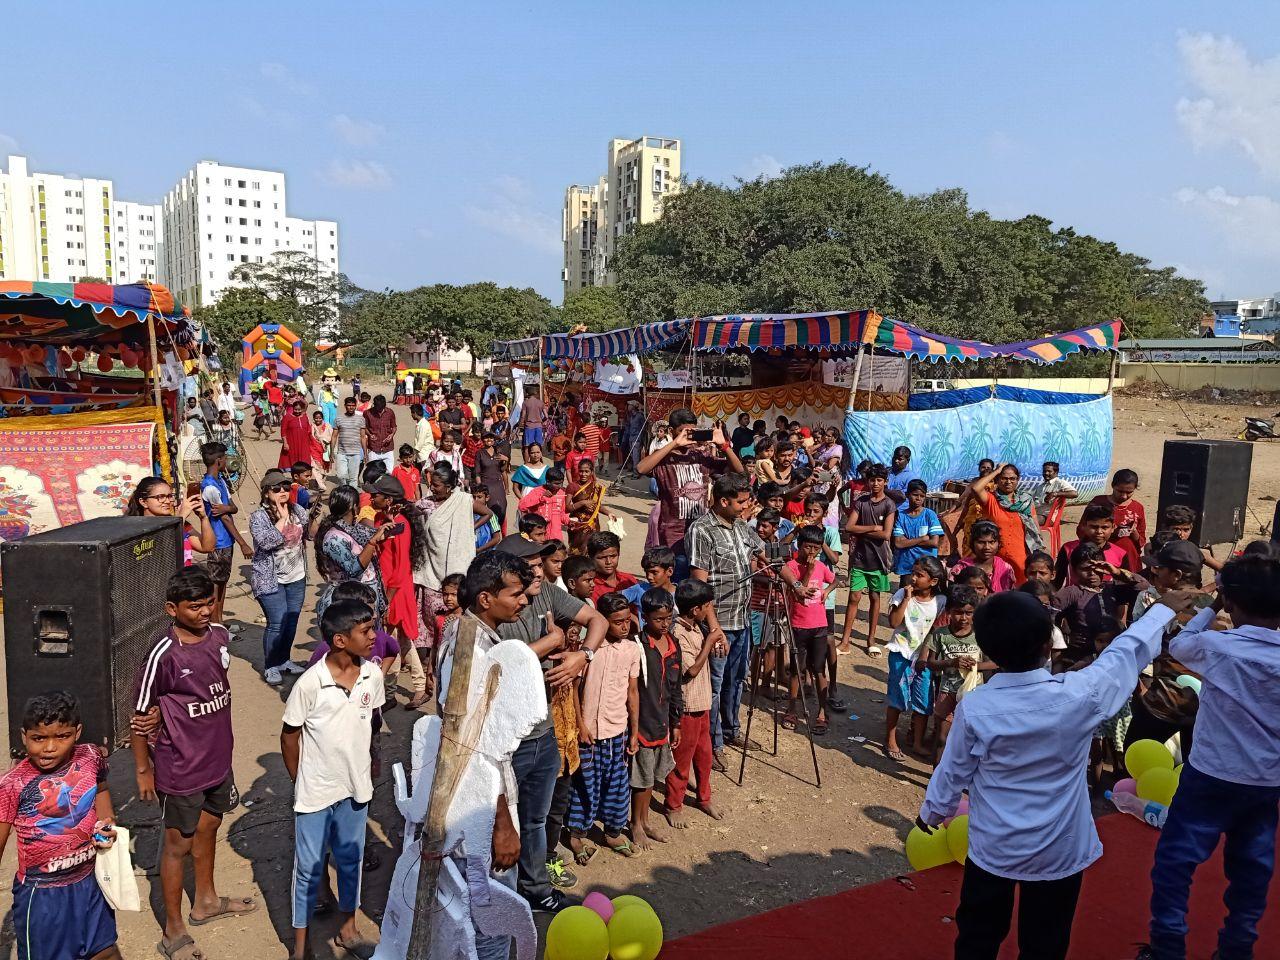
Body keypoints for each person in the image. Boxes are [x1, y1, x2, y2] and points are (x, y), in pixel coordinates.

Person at [918, 587, 1202, 960]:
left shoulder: (977, 707)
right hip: (1059, 847)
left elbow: (952, 771)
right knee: (1046, 940)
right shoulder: (1080, 695)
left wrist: (933, 811)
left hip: (995, 847)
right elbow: (1122, 655)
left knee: (978, 934)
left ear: (987, 650)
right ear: (1047, 645)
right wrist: (1161, 611)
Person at [1141, 553, 1280, 960]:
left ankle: (1167, 948)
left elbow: (1178, 644)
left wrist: (1212, 605)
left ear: (1232, 604)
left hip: (1210, 776)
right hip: (1266, 781)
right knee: (1252, 869)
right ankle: (1237, 948)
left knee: (1175, 864)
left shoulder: (1218, 647)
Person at [132, 568, 257, 960]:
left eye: (209, 603)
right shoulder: (162, 654)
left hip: (218, 758)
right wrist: (143, 769)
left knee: (211, 824)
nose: (205, 611)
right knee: (176, 844)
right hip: (181, 766)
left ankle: (206, 901)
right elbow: (139, 716)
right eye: (195, 605)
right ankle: (173, 931)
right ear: (172, 608)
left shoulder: (219, 636)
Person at [493, 535, 607, 914]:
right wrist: (552, 642)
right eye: (531, 567)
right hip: (508, 738)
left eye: (541, 565)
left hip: (545, 730)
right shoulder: (496, 610)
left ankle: (536, 887)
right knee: (500, 821)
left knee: (536, 819)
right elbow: (499, 665)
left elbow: (597, 619)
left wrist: (582, 655)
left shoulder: (543, 596)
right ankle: (500, 894)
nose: (540, 572)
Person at [434, 552, 529, 959]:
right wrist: (501, 822)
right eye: (516, 594)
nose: (523, 601)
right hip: (481, 808)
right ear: (487, 599)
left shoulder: (473, 635)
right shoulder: (472, 653)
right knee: (489, 914)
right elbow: (473, 746)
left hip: (481, 801)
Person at [281, 598, 383, 960]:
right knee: (308, 868)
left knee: (350, 860)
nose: (374, 637)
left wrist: (370, 760)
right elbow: (289, 734)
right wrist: (300, 779)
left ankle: (348, 930)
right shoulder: (310, 684)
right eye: (366, 631)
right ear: (340, 640)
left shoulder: (373, 674)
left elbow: (371, 721)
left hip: (355, 788)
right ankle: (300, 947)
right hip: (316, 792)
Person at [689, 472, 804, 769]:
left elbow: (771, 558)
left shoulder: (742, 527)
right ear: (723, 500)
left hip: (742, 620)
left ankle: (731, 730)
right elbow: (699, 587)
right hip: (718, 624)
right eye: (741, 502)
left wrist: (797, 586)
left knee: (737, 680)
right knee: (714, 686)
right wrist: (714, 629)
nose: (746, 507)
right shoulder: (702, 530)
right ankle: (712, 743)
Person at [0, 691, 122, 960]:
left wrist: (107, 820)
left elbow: (100, 787)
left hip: (91, 883)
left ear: (77, 732)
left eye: (62, 736)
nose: (49, 747)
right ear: (24, 736)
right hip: (43, 896)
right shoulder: (13, 784)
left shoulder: (90, 757)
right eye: (39, 738)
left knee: (106, 951)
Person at [567, 591, 642, 861]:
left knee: (617, 784)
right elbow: (575, 687)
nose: (624, 626)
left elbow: (632, 693)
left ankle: (612, 832)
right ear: (602, 621)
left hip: (617, 730)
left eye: (626, 621)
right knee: (586, 784)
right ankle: (578, 835)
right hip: (590, 732)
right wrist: (580, 724)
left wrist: (634, 732)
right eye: (617, 621)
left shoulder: (632, 650)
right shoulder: (590, 650)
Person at [637, 407, 744, 579]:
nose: (689, 437)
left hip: (701, 532)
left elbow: (739, 472)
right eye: (684, 432)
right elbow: (641, 468)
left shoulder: (701, 456)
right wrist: (674, 443)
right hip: (673, 535)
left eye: (693, 432)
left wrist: (723, 445)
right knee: (677, 578)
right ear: (672, 431)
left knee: (699, 583)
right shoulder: (663, 458)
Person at [663, 578, 723, 829]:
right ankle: (673, 805)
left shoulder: (696, 626)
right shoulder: (678, 633)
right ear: (695, 609)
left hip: (702, 703)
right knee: (682, 759)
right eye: (707, 606)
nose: (710, 610)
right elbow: (691, 670)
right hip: (687, 706)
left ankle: (703, 797)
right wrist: (710, 642)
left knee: (704, 755)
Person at [631, 589, 683, 850]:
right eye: (658, 620)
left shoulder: (673, 644)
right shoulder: (638, 646)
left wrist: (676, 723)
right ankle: (636, 824)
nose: (664, 625)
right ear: (644, 617)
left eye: (667, 619)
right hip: (643, 722)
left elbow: (676, 688)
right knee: (641, 778)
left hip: (663, 720)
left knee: (651, 776)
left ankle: (645, 821)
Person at [249, 469, 311, 685]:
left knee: (291, 621)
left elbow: (308, 534)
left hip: (296, 575)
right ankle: (271, 665)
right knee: (277, 622)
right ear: (267, 493)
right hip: (270, 578)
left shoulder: (299, 511)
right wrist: (282, 519)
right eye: (277, 488)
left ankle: (284, 659)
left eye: (286, 487)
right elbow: (266, 542)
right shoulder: (259, 517)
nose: (283, 491)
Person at [884, 556, 946, 761]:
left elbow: (938, 629)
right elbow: (894, 622)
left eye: (920, 575)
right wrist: (906, 599)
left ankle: (917, 742)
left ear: (933, 581)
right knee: (897, 697)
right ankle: (891, 739)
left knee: (923, 701)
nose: (913, 578)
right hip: (901, 652)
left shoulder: (940, 601)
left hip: (924, 657)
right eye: (913, 573)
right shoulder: (902, 594)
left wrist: (927, 655)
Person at [782, 526, 839, 735]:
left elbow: (836, 580)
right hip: (798, 625)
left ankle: (822, 712)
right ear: (800, 546)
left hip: (819, 626)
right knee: (798, 669)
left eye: (815, 548)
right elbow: (799, 593)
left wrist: (826, 591)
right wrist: (807, 571)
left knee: (818, 669)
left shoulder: (822, 566)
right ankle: (792, 708)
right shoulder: (792, 567)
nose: (811, 553)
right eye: (807, 547)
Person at [924, 583, 987, 761]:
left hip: (973, 693)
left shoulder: (981, 635)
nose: (963, 618)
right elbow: (931, 663)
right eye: (959, 612)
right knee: (942, 737)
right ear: (949, 612)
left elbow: (994, 664)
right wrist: (952, 662)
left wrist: (974, 666)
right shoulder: (940, 634)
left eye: (968, 613)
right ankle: (936, 777)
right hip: (947, 690)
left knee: (969, 740)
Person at [839, 462, 896, 657]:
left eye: (879, 480)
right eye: (872, 480)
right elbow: (848, 528)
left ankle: (871, 639)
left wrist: (862, 530)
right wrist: (872, 528)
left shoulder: (888, 504)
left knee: (874, 597)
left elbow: (886, 535)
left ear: (885, 482)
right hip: (860, 558)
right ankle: (845, 641)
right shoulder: (861, 502)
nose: (875, 483)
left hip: (879, 560)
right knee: (854, 597)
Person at [200, 441, 253, 623]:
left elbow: (233, 508)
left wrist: (226, 508)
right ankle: (215, 623)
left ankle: (220, 621)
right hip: (218, 541)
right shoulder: (209, 487)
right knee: (216, 585)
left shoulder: (220, 480)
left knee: (222, 582)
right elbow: (225, 517)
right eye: (225, 458)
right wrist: (243, 543)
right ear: (219, 461)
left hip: (226, 541)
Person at [966, 463, 1044, 582]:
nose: (1008, 482)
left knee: (1020, 589)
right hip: (996, 555)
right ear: (997, 480)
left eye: (1012, 478)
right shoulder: (991, 500)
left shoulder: (1026, 501)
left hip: (1020, 555)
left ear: (1017, 480)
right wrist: (996, 471)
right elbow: (976, 488)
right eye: (1004, 478)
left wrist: (1040, 548)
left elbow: (1035, 528)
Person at [127, 475, 217, 566]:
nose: (167, 501)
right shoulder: (136, 530)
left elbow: (208, 547)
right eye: (160, 497)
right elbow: (161, 552)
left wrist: (203, 517)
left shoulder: (182, 524)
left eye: (169, 496)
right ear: (143, 502)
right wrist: (182, 517)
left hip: (182, 579)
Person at [1054, 502, 1132, 586]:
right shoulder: (1068, 549)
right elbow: (1056, 581)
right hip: (1073, 598)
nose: (1099, 532)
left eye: (1104, 527)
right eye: (1094, 527)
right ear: (1084, 526)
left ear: (1113, 527)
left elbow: (1127, 582)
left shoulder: (1120, 554)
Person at [1088, 468, 1146, 572]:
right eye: (1120, 491)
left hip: (1128, 557)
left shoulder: (1138, 508)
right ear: (1113, 486)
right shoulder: (1098, 502)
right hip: (1100, 554)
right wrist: (1107, 532)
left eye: (1129, 492)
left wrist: (1134, 532)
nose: (1124, 496)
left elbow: (1141, 539)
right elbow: (1083, 528)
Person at [892, 478, 944, 586]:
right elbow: (898, 543)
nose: (918, 498)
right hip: (907, 565)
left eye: (922, 496)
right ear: (907, 495)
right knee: (905, 596)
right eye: (915, 495)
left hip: (928, 566)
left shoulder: (930, 515)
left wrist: (908, 542)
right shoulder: (901, 516)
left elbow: (934, 542)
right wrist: (922, 539)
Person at [952, 520, 1017, 593]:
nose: (987, 547)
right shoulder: (960, 569)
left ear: (998, 544)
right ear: (972, 543)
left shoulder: (1006, 569)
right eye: (981, 542)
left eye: (991, 542)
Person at [518, 466, 568, 542]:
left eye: (561, 483)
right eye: (556, 483)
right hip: (538, 536)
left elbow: (562, 514)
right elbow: (522, 506)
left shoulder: (562, 494)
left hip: (555, 536)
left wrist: (570, 521)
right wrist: (541, 498)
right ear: (548, 481)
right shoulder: (537, 492)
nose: (560, 486)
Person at [587, 530, 638, 602]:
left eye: (613, 556)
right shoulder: (590, 588)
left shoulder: (629, 580)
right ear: (591, 558)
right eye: (602, 557)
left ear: (618, 554)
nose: (609, 562)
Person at [476, 431, 510, 533]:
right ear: (482, 440)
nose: (489, 440)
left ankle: (501, 533)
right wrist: (480, 489)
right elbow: (477, 473)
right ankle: (492, 533)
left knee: (502, 508)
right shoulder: (479, 453)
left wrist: (506, 460)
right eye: (486, 438)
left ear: (494, 440)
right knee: (490, 510)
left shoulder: (498, 452)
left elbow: (502, 470)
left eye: (491, 438)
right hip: (486, 485)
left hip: (498, 484)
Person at [333, 395, 367, 486]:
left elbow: (363, 437)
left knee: (353, 478)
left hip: (355, 453)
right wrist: (331, 452)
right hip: (341, 452)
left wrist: (365, 454)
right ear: (345, 406)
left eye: (353, 405)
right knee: (340, 476)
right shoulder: (338, 418)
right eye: (349, 405)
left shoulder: (361, 419)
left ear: (355, 406)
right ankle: (344, 493)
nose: (351, 407)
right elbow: (334, 436)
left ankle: (352, 498)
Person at [363, 394, 397, 472]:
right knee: (373, 473)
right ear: (374, 405)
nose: (380, 410)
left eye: (382, 408)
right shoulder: (367, 413)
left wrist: (391, 435)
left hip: (388, 448)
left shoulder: (390, 412)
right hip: (374, 448)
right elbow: (364, 427)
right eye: (378, 408)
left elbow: (394, 427)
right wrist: (370, 435)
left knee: (389, 473)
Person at [279, 398, 311, 470]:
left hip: (303, 443)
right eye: (295, 409)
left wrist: (299, 398)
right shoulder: (287, 417)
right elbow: (283, 431)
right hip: (292, 443)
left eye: (299, 409)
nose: (297, 411)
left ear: (302, 409)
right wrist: (285, 443)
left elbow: (306, 404)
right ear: (293, 408)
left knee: (304, 461)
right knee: (292, 461)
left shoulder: (304, 417)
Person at [309, 409, 333, 476]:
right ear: (314, 418)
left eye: (320, 418)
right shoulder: (311, 426)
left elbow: (332, 438)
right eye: (316, 418)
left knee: (325, 465)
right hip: (314, 449)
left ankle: (322, 480)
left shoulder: (328, 426)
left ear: (322, 418)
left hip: (326, 449)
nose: (318, 420)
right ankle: (318, 481)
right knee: (317, 465)